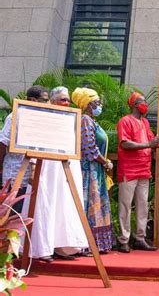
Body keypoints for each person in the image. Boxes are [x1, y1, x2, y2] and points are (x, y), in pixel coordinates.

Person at [24, 87, 88, 262]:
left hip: (66, 168)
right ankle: (41, 247)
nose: (66, 103)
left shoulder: (71, 119)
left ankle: (62, 246)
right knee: (45, 205)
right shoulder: (41, 118)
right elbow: (33, 144)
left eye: (68, 100)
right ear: (52, 102)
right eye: (62, 100)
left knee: (64, 206)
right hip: (46, 168)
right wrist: (32, 166)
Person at [116, 92, 159, 253]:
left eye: (145, 102)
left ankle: (139, 238)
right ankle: (124, 240)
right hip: (128, 170)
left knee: (142, 206)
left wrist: (158, 144)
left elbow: (150, 141)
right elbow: (125, 144)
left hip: (143, 170)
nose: (145, 104)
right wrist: (149, 144)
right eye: (142, 102)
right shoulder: (125, 121)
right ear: (133, 104)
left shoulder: (145, 122)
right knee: (125, 206)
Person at [72, 87, 114, 254]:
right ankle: (86, 243)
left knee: (96, 205)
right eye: (97, 102)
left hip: (96, 169)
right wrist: (106, 162)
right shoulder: (85, 120)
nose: (100, 105)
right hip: (89, 170)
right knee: (90, 205)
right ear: (88, 104)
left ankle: (96, 244)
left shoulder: (91, 120)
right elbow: (90, 148)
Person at [0, 86, 49, 213]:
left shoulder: (38, 118)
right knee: (11, 211)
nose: (47, 103)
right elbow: (3, 142)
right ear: (33, 100)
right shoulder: (15, 116)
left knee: (23, 211)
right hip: (15, 171)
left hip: (31, 173)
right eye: (44, 100)